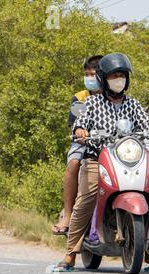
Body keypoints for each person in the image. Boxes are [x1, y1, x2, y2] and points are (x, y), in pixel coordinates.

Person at [54, 53, 149, 271]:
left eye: (122, 75)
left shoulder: (133, 104)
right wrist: (80, 130)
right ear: (103, 79)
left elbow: (147, 123)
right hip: (97, 159)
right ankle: (70, 253)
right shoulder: (92, 102)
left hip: (129, 161)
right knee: (85, 200)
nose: (119, 79)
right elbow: (80, 123)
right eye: (114, 75)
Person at [52, 55, 104, 235]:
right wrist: (81, 131)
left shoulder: (113, 96)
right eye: (86, 74)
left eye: (93, 74)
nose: (89, 78)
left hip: (109, 145)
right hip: (84, 143)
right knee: (73, 163)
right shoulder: (80, 97)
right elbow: (75, 124)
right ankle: (67, 215)